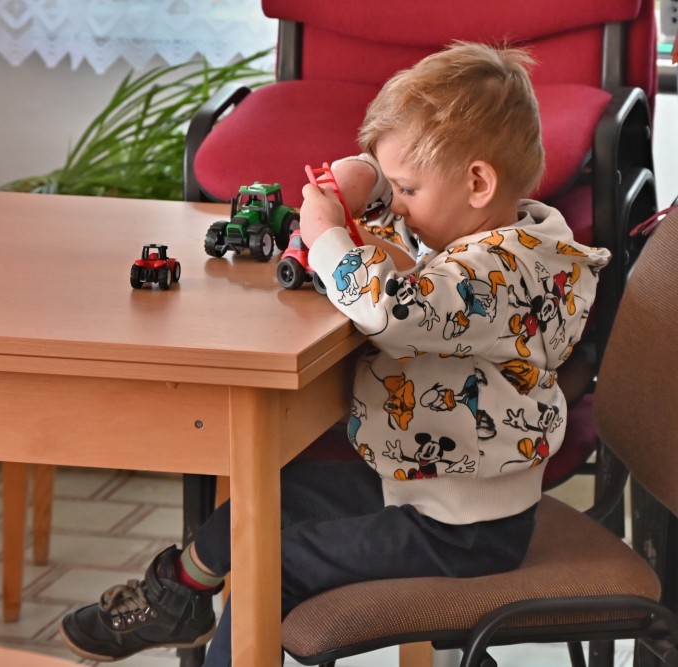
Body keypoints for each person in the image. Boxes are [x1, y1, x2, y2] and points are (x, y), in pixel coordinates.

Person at [59, 41, 610, 666]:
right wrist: (364, 174)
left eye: (405, 189)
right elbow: (404, 214)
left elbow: (389, 310)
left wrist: (323, 235)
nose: (394, 204)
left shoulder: (499, 273)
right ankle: (180, 591)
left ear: (477, 183)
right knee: (267, 501)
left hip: (462, 530)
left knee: (271, 562)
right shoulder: (503, 225)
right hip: (420, 485)